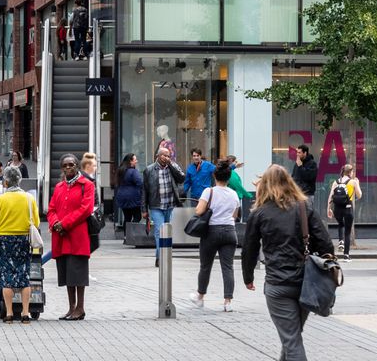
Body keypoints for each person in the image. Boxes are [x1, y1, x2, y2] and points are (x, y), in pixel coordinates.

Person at [241, 164, 336, 361]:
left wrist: (248, 277)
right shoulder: (304, 207)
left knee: (291, 340)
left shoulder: (259, 213)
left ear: (265, 184)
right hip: (305, 284)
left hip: (277, 285)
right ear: (289, 182)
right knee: (292, 337)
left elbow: (249, 249)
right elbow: (326, 243)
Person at [0, 170, 40, 323]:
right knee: (24, 277)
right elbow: (36, 222)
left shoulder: (1, 200)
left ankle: (9, 313)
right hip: (23, 240)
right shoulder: (29, 198)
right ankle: (25, 313)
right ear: (19, 181)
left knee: (6, 277)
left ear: (6, 182)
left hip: (4, 240)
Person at [48, 154, 95, 320]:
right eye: (65, 165)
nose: (68, 168)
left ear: (77, 166)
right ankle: (71, 307)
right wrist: (55, 223)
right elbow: (51, 208)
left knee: (78, 272)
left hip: (77, 235)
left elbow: (85, 209)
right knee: (67, 272)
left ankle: (80, 307)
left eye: (71, 165)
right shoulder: (59, 187)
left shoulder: (87, 185)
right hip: (61, 236)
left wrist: (64, 223)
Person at [193, 160, 242, 311]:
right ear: (228, 177)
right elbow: (235, 215)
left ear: (215, 176)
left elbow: (199, 211)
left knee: (205, 266)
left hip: (211, 232)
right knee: (228, 267)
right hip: (229, 231)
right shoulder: (234, 194)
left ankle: (200, 297)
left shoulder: (209, 191)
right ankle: (227, 302)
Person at [143, 146, 186, 264]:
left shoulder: (173, 166)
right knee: (159, 231)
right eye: (164, 155)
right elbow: (144, 191)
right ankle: (160, 257)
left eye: (168, 156)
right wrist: (144, 209)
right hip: (156, 205)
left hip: (170, 205)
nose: (167, 158)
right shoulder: (149, 170)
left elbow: (182, 178)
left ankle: (164, 255)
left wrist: (171, 165)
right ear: (158, 155)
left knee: (167, 231)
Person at [325, 162, 361, 259]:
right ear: (350, 172)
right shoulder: (353, 182)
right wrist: (357, 183)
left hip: (337, 209)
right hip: (348, 209)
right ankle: (346, 255)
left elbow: (330, 196)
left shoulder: (336, 182)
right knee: (348, 232)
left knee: (341, 224)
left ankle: (341, 241)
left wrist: (328, 209)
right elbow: (359, 195)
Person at [114, 152, 143, 232]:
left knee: (127, 217)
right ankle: (131, 234)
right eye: (135, 160)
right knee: (137, 217)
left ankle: (126, 236)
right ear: (130, 161)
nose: (136, 161)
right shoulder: (133, 171)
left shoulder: (121, 171)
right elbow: (140, 183)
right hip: (133, 197)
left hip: (122, 196)